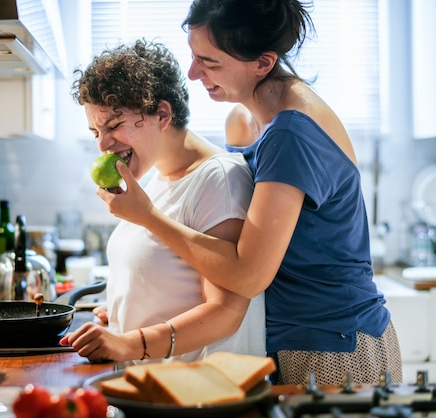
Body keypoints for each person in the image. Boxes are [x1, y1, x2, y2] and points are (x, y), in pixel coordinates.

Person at [94, 0, 402, 385]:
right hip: (287, 341)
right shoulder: (244, 118)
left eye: (210, 62)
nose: (193, 73)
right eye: (193, 56)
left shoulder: (291, 133)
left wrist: (148, 216)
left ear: (263, 62)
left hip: (331, 345)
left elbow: (247, 275)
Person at [60, 39, 266, 365]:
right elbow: (170, 283)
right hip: (150, 388)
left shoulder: (220, 179)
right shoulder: (156, 179)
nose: (103, 145)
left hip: (198, 395)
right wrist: (125, 310)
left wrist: (130, 343)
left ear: (163, 114)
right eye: (95, 132)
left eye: (114, 125)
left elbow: (225, 312)